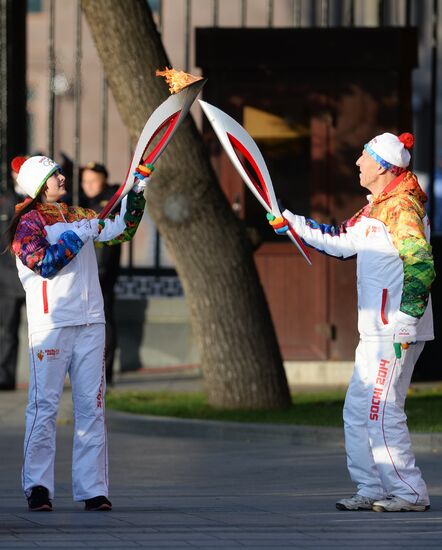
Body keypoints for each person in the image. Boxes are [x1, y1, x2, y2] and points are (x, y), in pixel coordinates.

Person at [268, 132, 435, 513]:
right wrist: (290, 222)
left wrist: (408, 318)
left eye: (363, 156)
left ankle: (409, 491)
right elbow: (340, 241)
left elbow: (421, 264)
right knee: (358, 411)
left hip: (395, 329)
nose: (357, 163)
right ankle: (372, 487)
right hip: (373, 330)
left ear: (380, 165)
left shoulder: (402, 209)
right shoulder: (376, 207)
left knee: (382, 409)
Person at [7, 155, 147, 512]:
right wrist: (75, 237)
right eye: (54, 175)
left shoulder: (80, 214)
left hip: (91, 322)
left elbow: (122, 230)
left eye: (60, 173)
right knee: (44, 408)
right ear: (39, 185)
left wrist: (137, 194)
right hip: (51, 326)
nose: (62, 178)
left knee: (92, 407)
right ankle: (38, 487)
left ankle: (93, 489)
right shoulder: (27, 223)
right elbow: (45, 264)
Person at [80, 161, 121, 385]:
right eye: (85, 181)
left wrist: (98, 274)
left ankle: (106, 371)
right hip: (95, 272)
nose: (88, 185)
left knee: (104, 322)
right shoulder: (92, 202)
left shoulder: (106, 204)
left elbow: (105, 245)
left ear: (103, 180)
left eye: (92, 181)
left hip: (101, 273)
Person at [0, 158, 26, 390]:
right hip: (9, 275)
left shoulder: (44, 199)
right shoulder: (6, 199)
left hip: (38, 275)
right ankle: (5, 377)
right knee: (7, 329)